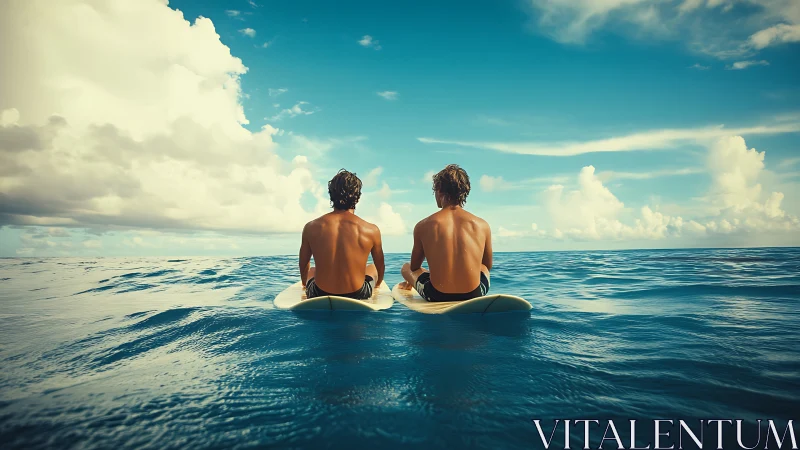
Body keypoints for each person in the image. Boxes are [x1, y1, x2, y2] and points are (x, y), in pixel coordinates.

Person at [398, 164, 492, 301]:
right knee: (482, 267)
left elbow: (414, 266)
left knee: (406, 267)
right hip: (475, 294)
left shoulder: (423, 225)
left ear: (439, 190)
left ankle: (409, 286)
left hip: (437, 296)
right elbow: (487, 265)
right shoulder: (482, 225)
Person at [299, 169, 385, 299]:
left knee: (312, 270)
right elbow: (380, 266)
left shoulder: (311, 227)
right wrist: (377, 284)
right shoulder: (371, 230)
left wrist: (305, 284)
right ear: (358, 197)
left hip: (319, 292)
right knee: (372, 267)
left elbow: (303, 263)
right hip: (358, 294)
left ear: (331, 194)